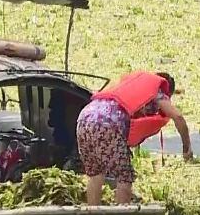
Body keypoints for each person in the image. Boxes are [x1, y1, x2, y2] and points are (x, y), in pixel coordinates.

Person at [76, 71, 192, 206]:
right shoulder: (157, 91)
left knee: (95, 174)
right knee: (124, 177)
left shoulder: (131, 85)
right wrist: (186, 147)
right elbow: (178, 117)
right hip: (108, 123)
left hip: (84, 117)